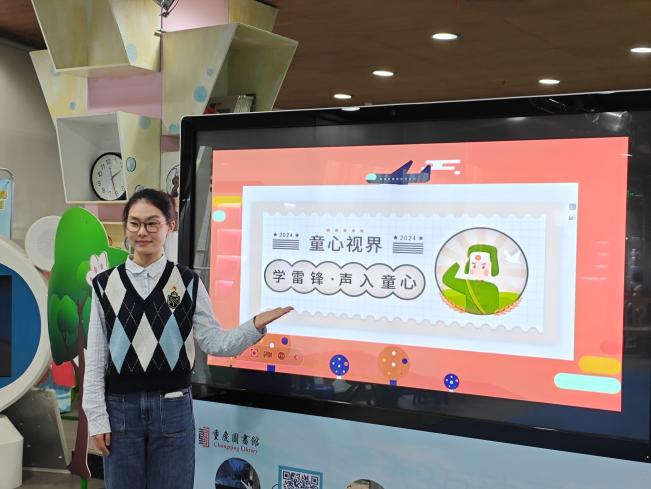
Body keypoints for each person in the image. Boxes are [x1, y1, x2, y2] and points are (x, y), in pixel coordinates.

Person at [83, 188, 292, 489]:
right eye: (134, 223)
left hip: (173, 408)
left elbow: (215, 342)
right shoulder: (105, 284)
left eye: (152, 223)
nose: (142, 232)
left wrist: (254, 326)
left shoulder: (188, 282)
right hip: (120, 410)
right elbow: (96, 360)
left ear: (170, 225)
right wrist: (97, 419)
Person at [442, 244, 500, 315]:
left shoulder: (492, 289)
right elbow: (447, 279)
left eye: (483, 267)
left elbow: (494, 312)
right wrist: (459, 263)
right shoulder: (467, 284)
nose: (478, 270)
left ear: (491, 268)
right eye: (474, 266)